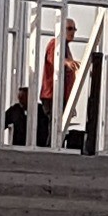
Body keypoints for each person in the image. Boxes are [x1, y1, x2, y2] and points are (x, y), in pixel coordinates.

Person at [38, 19, 79, 148]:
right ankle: (52, 147)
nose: (73, 32)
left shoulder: (65, 47)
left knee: (58, 123)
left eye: (74, 29)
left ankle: (54, 146)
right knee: (55, 122)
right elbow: (54, 59)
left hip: (60, 94)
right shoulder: (55, 43)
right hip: (52, 94)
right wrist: (67, 62)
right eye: (70, 29)